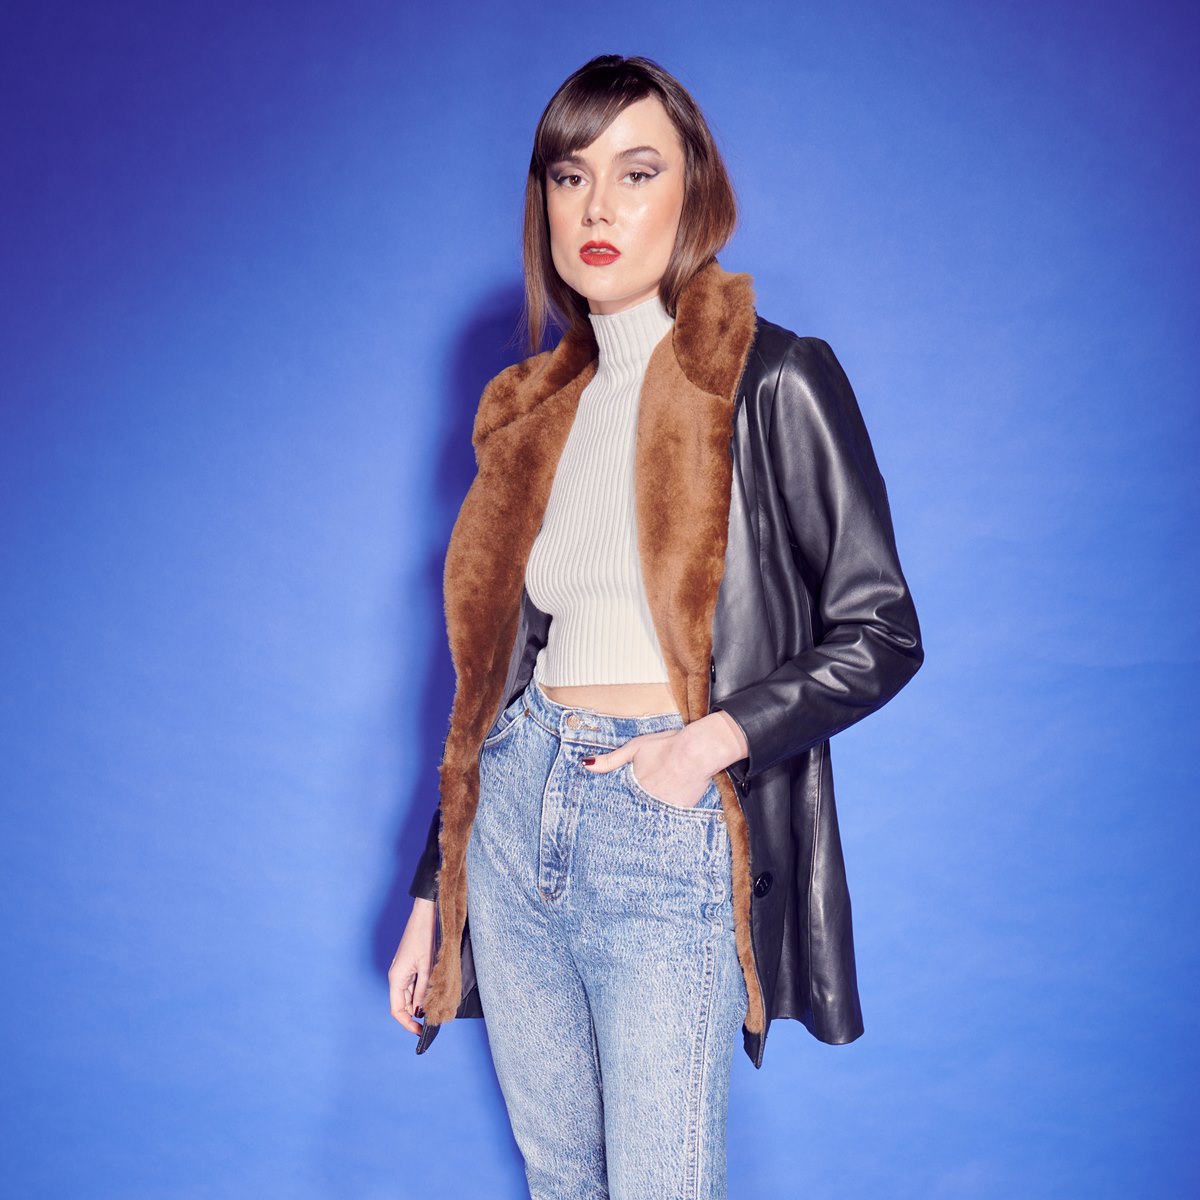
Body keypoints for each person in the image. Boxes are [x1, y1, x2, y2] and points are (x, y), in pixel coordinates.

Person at [388, 53, 924, 1200]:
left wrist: (704, 747)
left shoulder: (771, 379)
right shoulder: (530, 412)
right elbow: (494, 677)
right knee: (561, 1181)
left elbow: (881, 629)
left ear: (695, 196)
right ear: (543, 200)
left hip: (664, 821)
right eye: (570, 176)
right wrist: (437, 888)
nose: (599, 208)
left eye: (637, 173)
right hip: (514, 812)